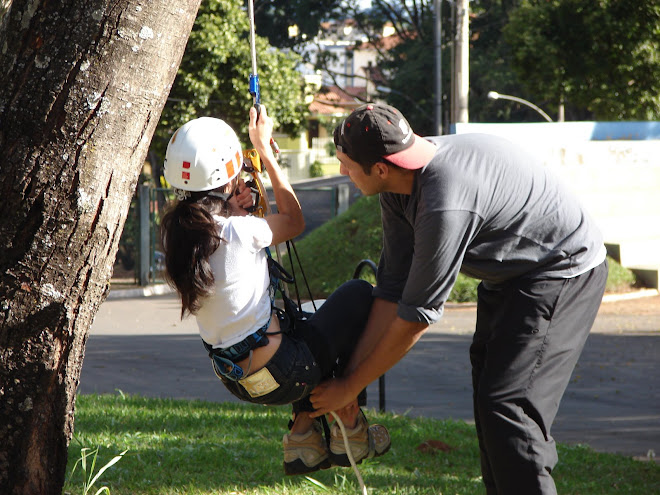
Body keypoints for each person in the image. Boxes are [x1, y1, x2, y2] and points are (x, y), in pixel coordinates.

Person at [310, 103, 608, 494]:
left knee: (510, 406)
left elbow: (415, 318)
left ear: (380, 168)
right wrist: (350, 381)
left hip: (561, 268)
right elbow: (392, 292)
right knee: (491, 401)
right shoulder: (399, 188)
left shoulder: (443, 201)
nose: (342, 173)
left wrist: (350, 387)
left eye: (345, 164)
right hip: (511, 275)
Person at [159, 106, 390, 476]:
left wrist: (232, 209)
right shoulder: (238, 231)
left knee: (308, 326)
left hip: (238, 380)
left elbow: (216, 238)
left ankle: (303, 437)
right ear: (230, 168)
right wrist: (265, 151)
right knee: (357, 295)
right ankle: (350, 425)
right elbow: (293, 220)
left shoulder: (177, 234)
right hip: (286, 371)